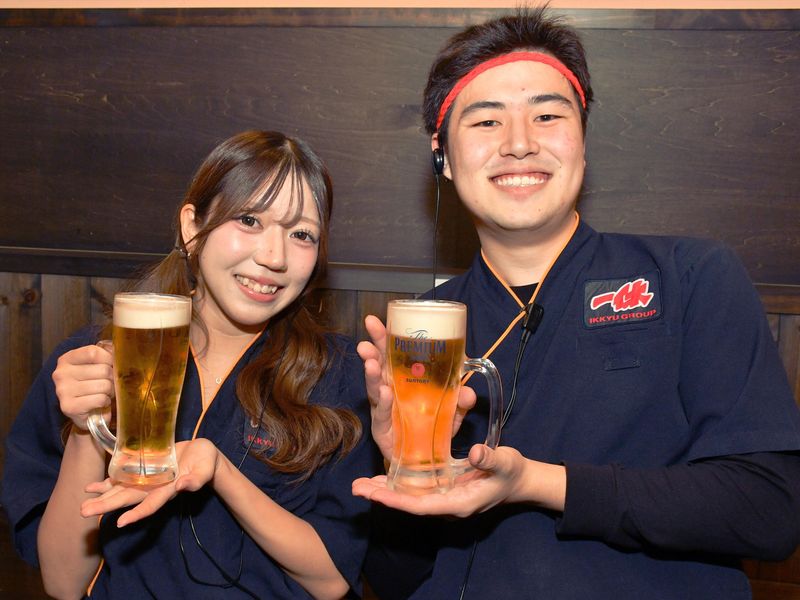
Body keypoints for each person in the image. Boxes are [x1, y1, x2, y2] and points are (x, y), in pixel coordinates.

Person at [352, 6, 800, 599]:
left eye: (546, 115)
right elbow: (395, 578)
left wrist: (541, 484)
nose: (519, 143)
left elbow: (768, 509)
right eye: (486, 121)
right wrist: (401, 469)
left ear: (582, 142)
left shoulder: (688, 276)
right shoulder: (423, 330)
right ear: (443, 156)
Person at [2, 130, 378, 599]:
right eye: (249, 219)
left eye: (302, 234)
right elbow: (63, 583)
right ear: (191, 227)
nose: (274, 257)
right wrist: (86, 430)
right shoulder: (94, 360)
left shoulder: (341, 375)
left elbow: (331, 581)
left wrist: (221, 471)